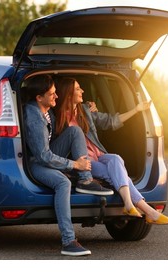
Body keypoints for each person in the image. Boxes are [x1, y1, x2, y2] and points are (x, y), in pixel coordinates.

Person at [53, 77, 168, 225]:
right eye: (78, 88)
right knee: (116, 174)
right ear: (68, 93)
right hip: (83, 162)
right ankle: (145, 210)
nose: (82, 91)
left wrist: (136, 109)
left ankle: (130, 204)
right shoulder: (55, 115)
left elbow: (110, 121)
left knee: (116, 159)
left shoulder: (85, 110)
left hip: (98, 154)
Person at [23, 74, 113, 257]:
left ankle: (85, 181)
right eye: (52, 94)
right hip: (36, 163)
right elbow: (42, 156)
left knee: (75, 131)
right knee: (63, 183)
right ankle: (68, 241)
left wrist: (87, 108)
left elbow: (56, 138)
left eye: (56, 92)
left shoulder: (47, 110)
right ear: (39, 98)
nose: (56, 97)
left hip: (49, 156)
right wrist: (74, 165)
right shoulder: (34, 117)